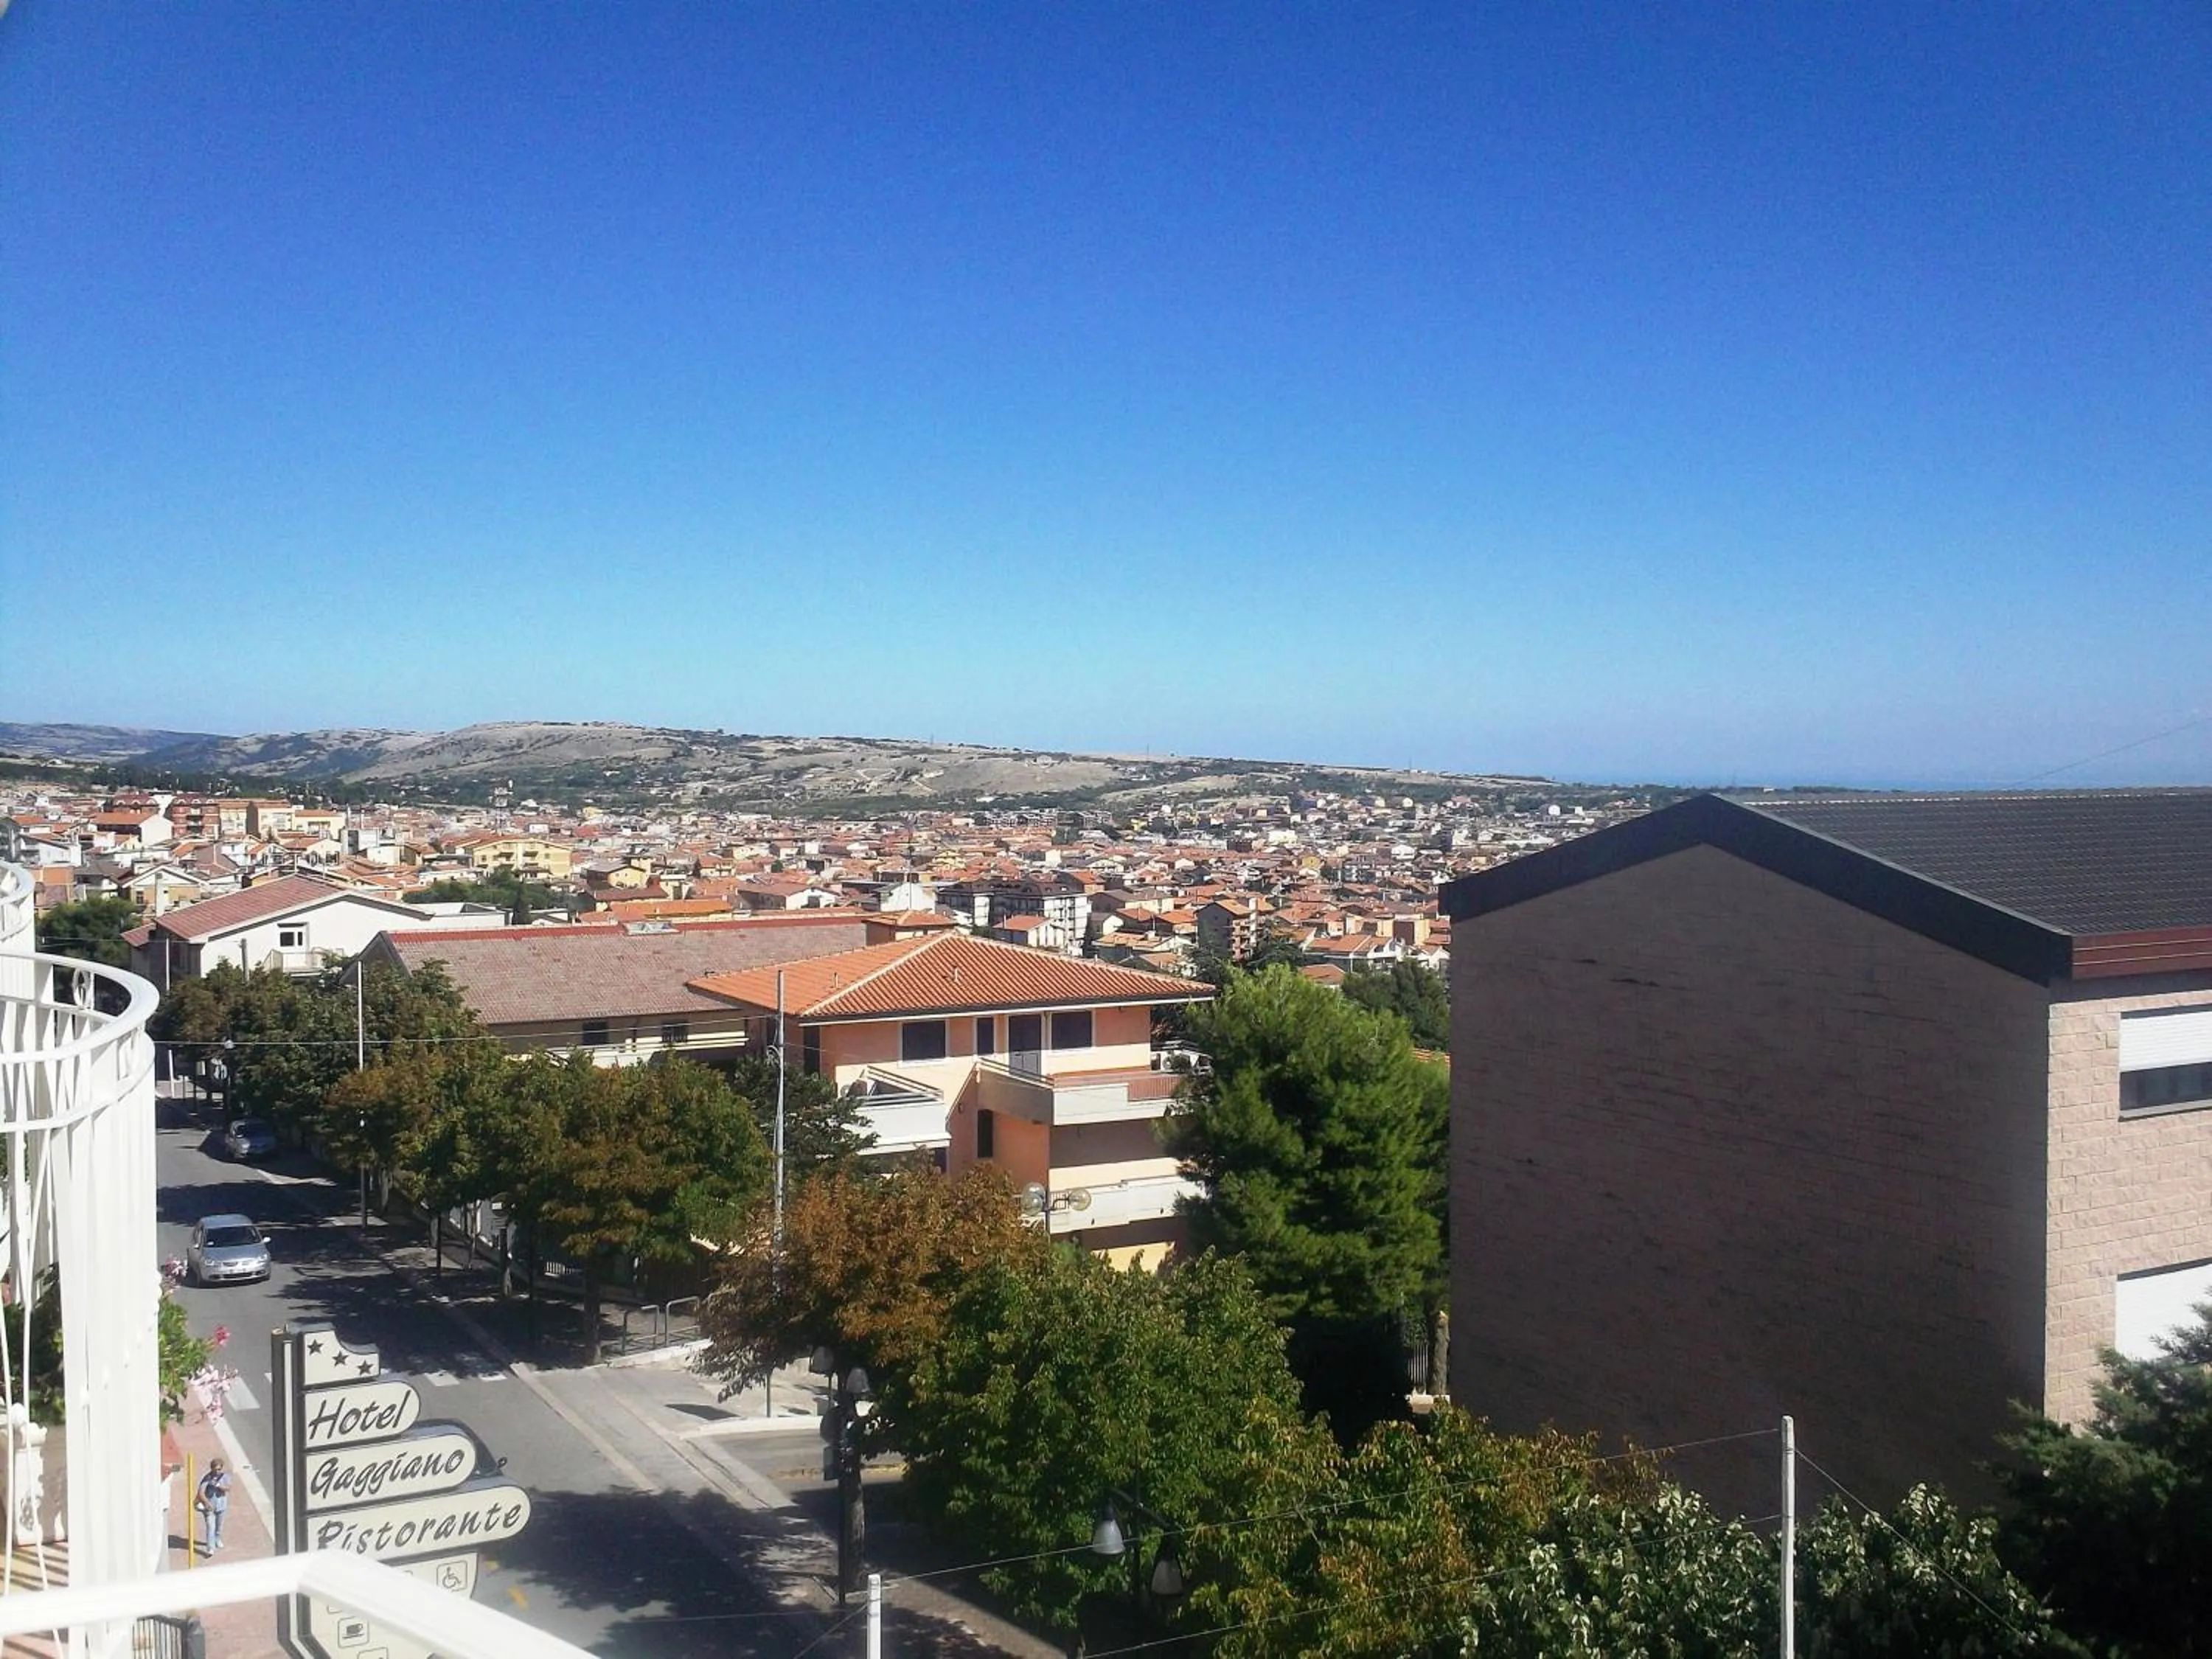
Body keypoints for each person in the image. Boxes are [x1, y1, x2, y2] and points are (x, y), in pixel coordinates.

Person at [195, 1458, 231, 1554]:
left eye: (219, 1469)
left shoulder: (225, 1477)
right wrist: (207, 1503)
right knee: (210, 1527)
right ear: (212, 1469)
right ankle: (210, 1548)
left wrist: (220, 1486)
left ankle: (217, 1539)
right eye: (215, 1469)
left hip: (221, 1505)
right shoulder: (207, 1478)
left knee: (218, 1527)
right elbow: (201, 1492)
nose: (217, 1471)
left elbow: (228, 1488)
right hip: (210, 1507)